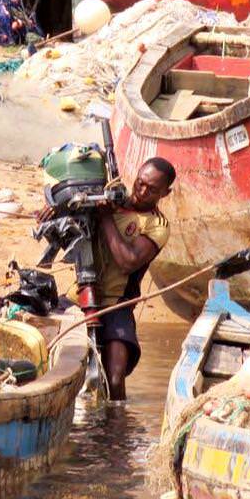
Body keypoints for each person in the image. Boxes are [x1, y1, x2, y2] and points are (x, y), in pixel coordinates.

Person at [93, 157, 176, 401]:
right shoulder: (109, 199)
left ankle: (116, 433)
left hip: (116, 305)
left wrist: (106, 218)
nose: (141, 192)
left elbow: (128, 261)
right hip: (83, 294)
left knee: (115, 379)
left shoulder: (157, 225)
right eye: (140, 183)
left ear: (165, 193)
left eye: (152, 190)